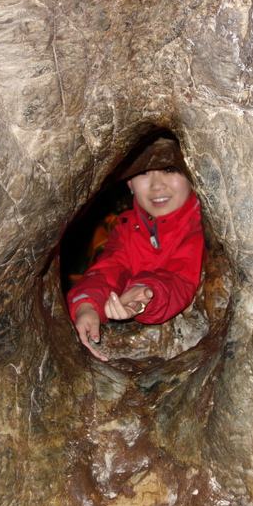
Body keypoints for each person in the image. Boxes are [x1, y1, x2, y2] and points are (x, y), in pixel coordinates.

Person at [68, 137, 205, 360]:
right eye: (143, 172)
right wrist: (87, 305)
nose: (157, 185)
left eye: (169, 169)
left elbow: (181, 276)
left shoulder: (203, 226)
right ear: (129, 183)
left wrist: (147, 293)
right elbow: (109, 268)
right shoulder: (126, 227)